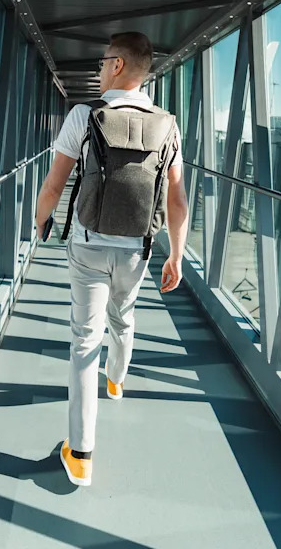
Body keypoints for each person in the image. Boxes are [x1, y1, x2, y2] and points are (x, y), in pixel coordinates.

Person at [34, 31, 190, 487]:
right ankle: (117, 380)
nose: (99, 69)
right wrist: (175, 255)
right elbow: (177, 200)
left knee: (85, 340)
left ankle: (81, 453)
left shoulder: (84, 115)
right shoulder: (169, 124)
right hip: (137, 248)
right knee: (123, 317)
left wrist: (40, 221)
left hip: (87, 244)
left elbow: (54, 184)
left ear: (119, 65)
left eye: (103, 62)